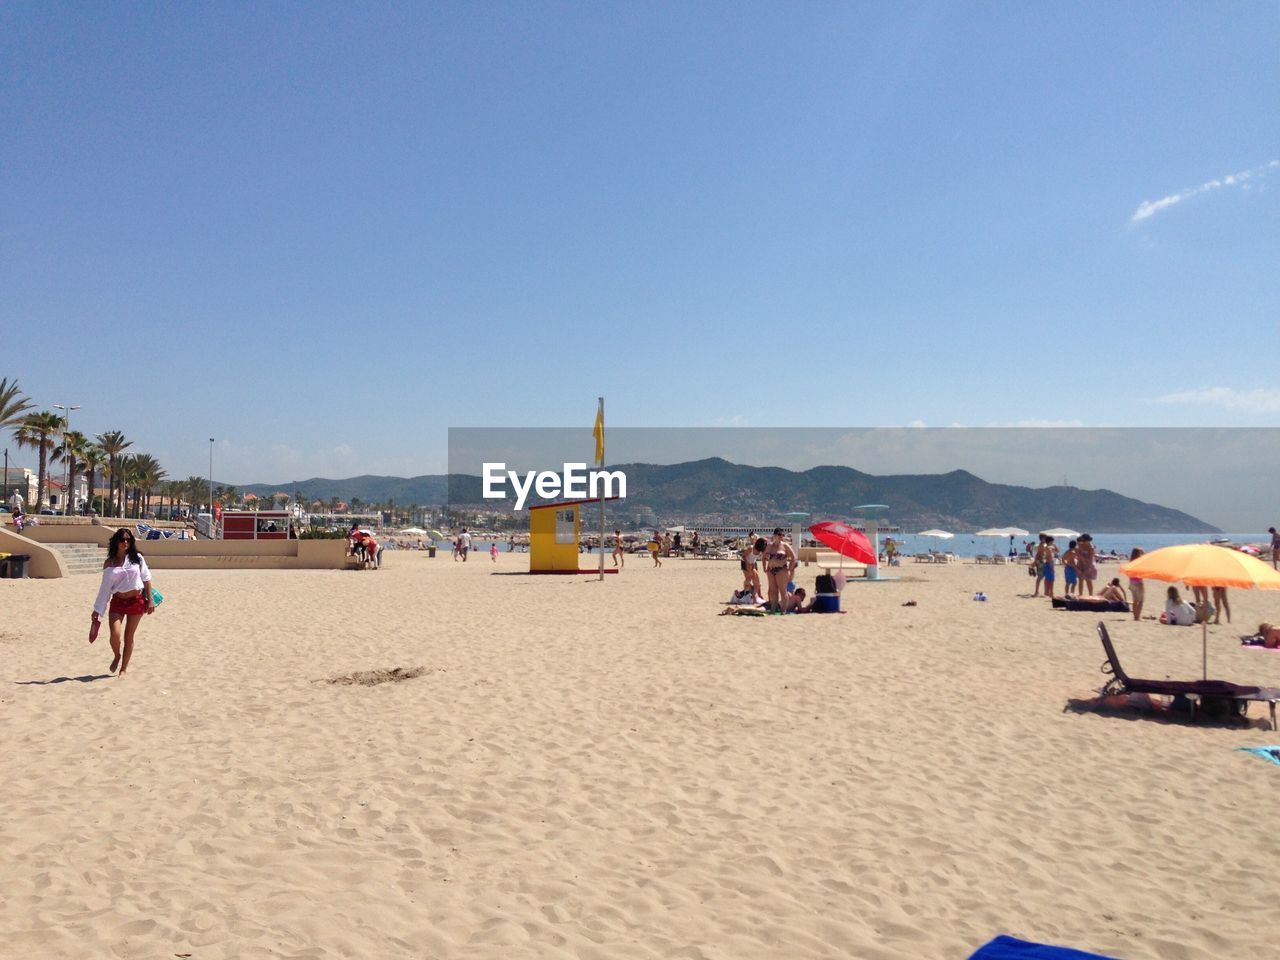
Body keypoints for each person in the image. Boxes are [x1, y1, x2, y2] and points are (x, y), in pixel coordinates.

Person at [91, 528, 155, 676]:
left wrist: (150, 600)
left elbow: (146, 578)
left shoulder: (137, 558)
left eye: (128, 540)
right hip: (118, 602)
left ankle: (123, 669)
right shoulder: (109, 563)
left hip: (136, 601)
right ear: (116, 542)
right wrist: (98, 610)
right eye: (122, 539)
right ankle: (117, 655)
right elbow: (105, 588)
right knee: (115, 633)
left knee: (129, 636)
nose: (125, 542)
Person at [762, 528, 797, 613]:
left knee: (783, 591)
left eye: (783, 535)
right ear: (775, 535)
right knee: (773, 591)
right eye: (780, 534)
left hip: (781, 570)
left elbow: (794, 558)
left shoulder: (785, 546)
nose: (782, 536)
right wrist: (765, 568)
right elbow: (763, 557)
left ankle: (783, 611)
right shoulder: (769, 546)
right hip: (771, 570)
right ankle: (773, 610)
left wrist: (789, 569)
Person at [1128, 547, 1145, 621]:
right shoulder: (1139, 562)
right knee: (1141, 601)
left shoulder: (1131, 562)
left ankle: (1135, 617)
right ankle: (1138, 617)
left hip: (1132, 582)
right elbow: (1140, 574)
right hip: (1138, 582)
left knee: (1135, 601)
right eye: (1140, 553)